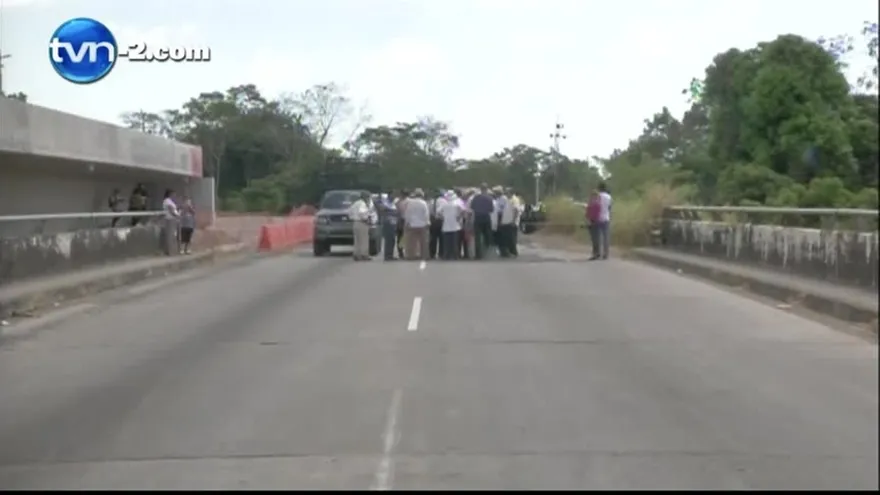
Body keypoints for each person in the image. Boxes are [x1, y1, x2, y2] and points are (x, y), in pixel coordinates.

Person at [468, 184, 495, 260]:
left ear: (480, 189)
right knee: (488, 235)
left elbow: (472, 207)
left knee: (477, 237)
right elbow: (492, 210)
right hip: (486, 217)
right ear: (486, 189)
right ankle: (488, 254)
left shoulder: (476, 198)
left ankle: (478, 254)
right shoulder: (489, 198)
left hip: (478, 217)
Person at [403, 189, 430, 261]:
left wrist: (407, 222)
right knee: (423, 241)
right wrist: (427, 222)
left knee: (411, 242)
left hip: (412, 224)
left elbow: (407, 214)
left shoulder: (410, 203)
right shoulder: (423, 203)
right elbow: (426, 214)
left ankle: (411, 255)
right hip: (422, 224)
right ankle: (424, 255)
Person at [349, 191, 373, 261]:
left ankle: (356, 254)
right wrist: (366, 220)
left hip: (355, 222)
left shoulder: (356, 203)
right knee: (364, 239)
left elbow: (350, 212)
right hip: (362, 222)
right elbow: (362, 213)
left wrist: (353, 217)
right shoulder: (363, 204)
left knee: (357, 240)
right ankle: (364, 254)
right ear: (365, 197)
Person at [439, 189, 463, 260]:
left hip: (446, 225)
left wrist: (442, 217)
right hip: (455, 225)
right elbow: (463, 210)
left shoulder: (444, 204)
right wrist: (459, 216)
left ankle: (446, 255)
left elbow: (438, 212)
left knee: (447, 243)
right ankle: (455, 255)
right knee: (454, 242)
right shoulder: (457, 203)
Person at [379, 191, 399, 261]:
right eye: (392, 195)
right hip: (388, 223)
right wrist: (392, 212)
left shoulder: (393, 203)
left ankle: (390, 255)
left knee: (392, 240)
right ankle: (387, 256)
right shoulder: (385, 202)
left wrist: (391, 212)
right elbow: (383, 210)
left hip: (393, 223)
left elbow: (396, 212)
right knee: (389, 240)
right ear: (389, 195)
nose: (394, 197)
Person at [596, 182, 613, 259]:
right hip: (606, 218)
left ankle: (598, 253)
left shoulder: (598, 196)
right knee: (606, 237)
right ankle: (606, 254)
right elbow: (610, 208)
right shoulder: (609, 197)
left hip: (598, 218)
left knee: (598, 237)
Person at [429, 189, 447, 260]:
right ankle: (441, 253)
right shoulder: (444, 201)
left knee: (433, 238)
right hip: (441, 220)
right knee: (442, 238)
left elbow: (430, 211)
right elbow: (443, 211)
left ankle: (432, 253)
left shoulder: (432, 201)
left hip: (433, 221)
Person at [161, 189, 180, 256]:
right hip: (170, 219)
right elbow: (171, 210)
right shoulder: (167, 201)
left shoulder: (170, 201)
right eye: (173, 194)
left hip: (172, 219)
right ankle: (169, 251)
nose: (174, 196)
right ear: (170, 194)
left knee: (172, 235)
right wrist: (177, 216)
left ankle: (171, 250)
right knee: (170, 235)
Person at [586, 189, 602, 260]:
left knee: (595, 238)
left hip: (594, 221)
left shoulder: (596, 204)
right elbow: (587, 213)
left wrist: (589, 219)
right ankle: (596, 253)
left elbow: (593, 214)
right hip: (592, 221)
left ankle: (596, 253)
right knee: (594, 239)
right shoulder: (592, 204)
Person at [395, 190, 409, 259]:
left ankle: (403, 252)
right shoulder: (399, 201)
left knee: (403, 237)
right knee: (401, 237)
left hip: (404, 220)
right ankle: (401, 252)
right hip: (401, 220)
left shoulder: (408, 201)